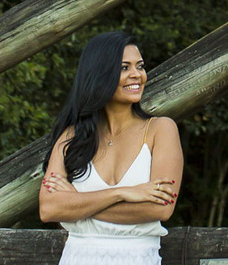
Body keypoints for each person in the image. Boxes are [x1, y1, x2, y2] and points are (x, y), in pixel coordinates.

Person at [40, 31, 183, 265]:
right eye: (124, 68)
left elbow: (161, 209)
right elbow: (48, 209)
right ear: (99, 74)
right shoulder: (72, 137)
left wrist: (77, 204)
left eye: (140, 66)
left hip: (138, 258)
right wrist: (121, 193)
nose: (137, 75)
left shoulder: (161, 130)